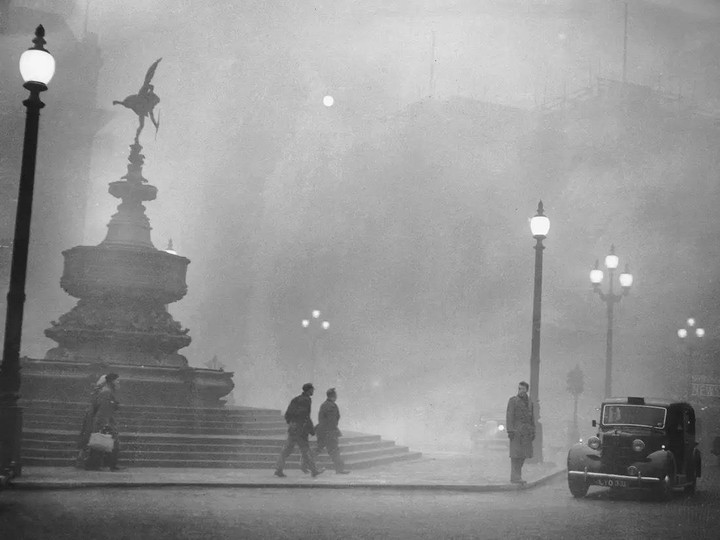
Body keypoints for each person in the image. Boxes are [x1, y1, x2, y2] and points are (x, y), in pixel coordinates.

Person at [274, 383, 323, 478]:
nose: (313, 391)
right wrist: (311, 430)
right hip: (301, 430)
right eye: (312, 389)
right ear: (308, 390)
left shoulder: (296, 399)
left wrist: (292, 423)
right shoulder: (306, 400)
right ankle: (314, 470)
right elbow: (305, 417)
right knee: (306, 450)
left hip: (293, 429)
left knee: (286, 450)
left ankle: (278, 469)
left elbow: (287, 414)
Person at [76, 373, 122, 471]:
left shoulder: (107, 392)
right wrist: (103, 425)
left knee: (103, 444)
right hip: (104, 422)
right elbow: (102, 411)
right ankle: (95, 465)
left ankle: (105, 465)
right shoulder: (106, 393)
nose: (119, 383)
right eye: (117, 380)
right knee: (100, 444)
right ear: (111, 381)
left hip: (105, 421)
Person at [305, 388, 350, 474]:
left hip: (322, 431)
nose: (336, 397)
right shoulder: (331, 406)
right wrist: (333, 431)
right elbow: (332, 420)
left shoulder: (324, 404)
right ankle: (339, 469)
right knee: (334, 451)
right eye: (335, 395)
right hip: (329, 432)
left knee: (319, 449)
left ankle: (306, 462)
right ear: (333, 396)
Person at [506, 380, 535, 484]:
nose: (520, 391)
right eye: (519, 389)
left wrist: (533, 431)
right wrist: (510, 430)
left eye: (523, 389)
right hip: (516, 432)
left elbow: (532, 419)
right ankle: (515, 477)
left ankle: (517, 476)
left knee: (523, 455)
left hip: (526, 433)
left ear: (527, 390)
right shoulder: (513, 401)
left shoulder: (530, 403)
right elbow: (509, 416)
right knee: (515, 456)